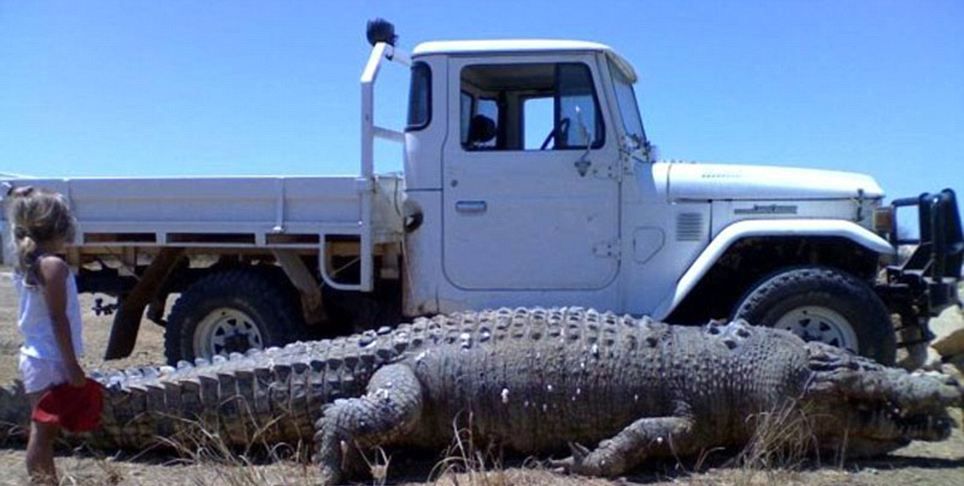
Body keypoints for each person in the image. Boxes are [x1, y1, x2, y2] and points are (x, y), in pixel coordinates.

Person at [6, 186, 86, 484]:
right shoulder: (53, 265)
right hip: (49, 358)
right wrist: (72, 366)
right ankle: (44, 482)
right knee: (43, 429)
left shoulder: (30, 262)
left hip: (38, 356)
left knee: (44, 428)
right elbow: (57, 317)